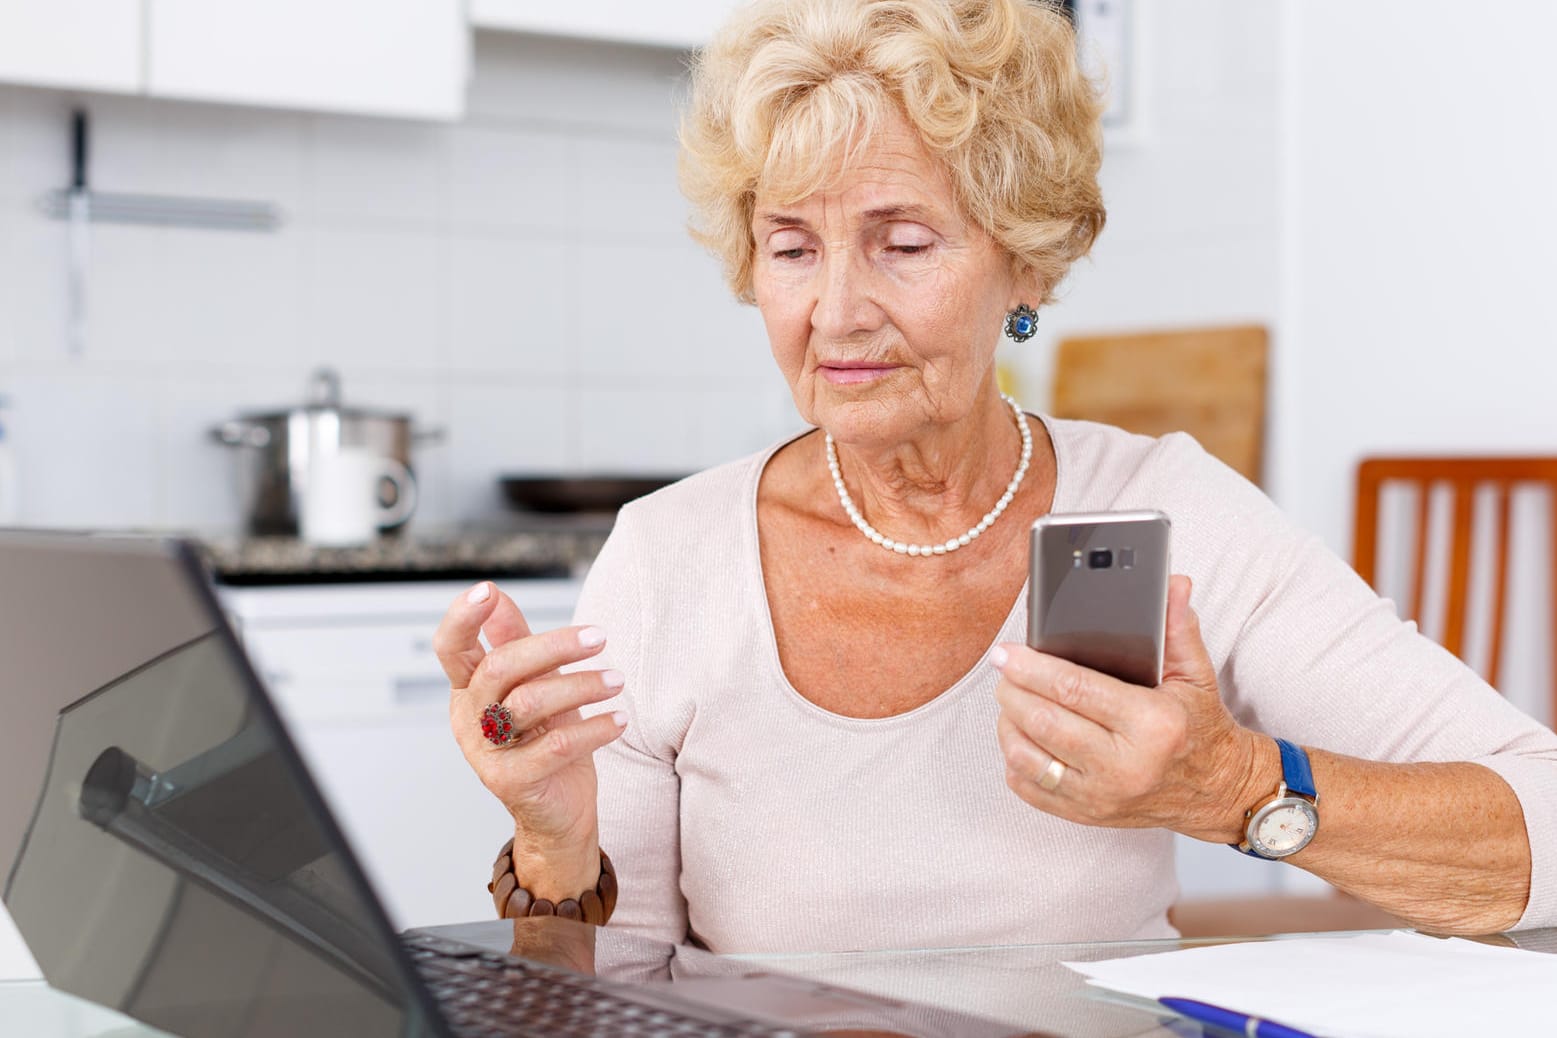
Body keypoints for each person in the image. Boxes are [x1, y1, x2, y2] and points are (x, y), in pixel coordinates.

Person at [434, 0, 1557, 953]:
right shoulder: (669, 557)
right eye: (791, 246)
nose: (835, 312)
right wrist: (551, 842)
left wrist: (1233, 786)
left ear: (1023, 254)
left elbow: (1540, 830)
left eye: (903, 242)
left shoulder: (1163, 511)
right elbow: (598, 1004)